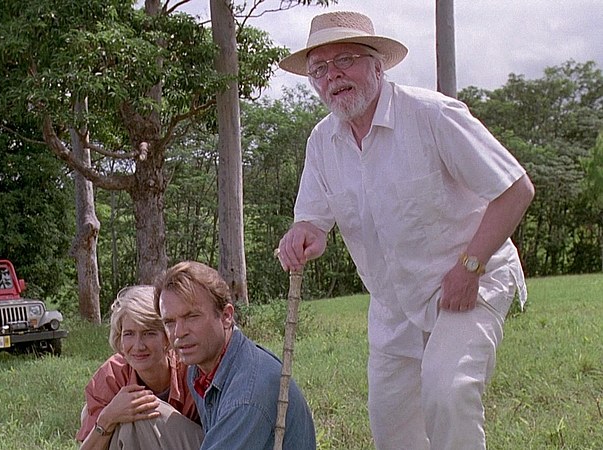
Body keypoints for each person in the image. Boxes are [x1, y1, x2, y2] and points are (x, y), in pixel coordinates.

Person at [275, 11, 535, 450]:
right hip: (393, 303)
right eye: (319, 69)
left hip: (469, 279)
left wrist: (469, 267)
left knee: (448, 393)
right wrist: (304, 236)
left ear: (378, 65)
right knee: (391, 425)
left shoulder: (433, 115)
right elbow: (313, 222)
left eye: (345, 60)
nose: (332, 76)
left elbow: (515, 189)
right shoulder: (322, 142)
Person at [154, 261, 316, 450]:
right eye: (169, 322)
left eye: (192, 316)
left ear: (226, 316)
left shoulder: (247, 396)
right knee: (142, 421)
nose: (179, 332)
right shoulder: (197, 370)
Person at [77, 285, 203, 450]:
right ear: (120, 338)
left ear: (167, 338)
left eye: (149, 333)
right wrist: (108, 416)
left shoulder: (191, 369)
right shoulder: (112, 375)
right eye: (129, 334)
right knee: (94, 414)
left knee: (139, 412)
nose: (138, 346)